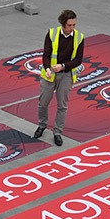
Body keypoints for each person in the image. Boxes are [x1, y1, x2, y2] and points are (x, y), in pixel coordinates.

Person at [34, 9, 84, 146]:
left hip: (66, 75)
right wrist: (48, 69)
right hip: (50, 74)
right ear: (63, 23)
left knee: (62, 105)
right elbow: (46, 54)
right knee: (43, 102)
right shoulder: (51, 34)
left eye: (74, 25)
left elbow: (78, 60)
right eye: (69, 25)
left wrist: (62, 66)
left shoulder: (79, 37)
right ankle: (42, 125)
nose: (72, 28)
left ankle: (58, 132)